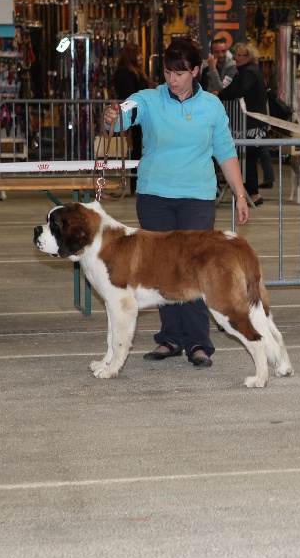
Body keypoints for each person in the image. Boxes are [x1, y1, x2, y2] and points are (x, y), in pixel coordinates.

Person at [103, 37, 249, 368]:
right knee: (161, 270)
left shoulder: (212, 106)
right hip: (154, 196)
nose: (173, 79)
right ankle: (169, 338)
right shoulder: (147, 99)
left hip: (197, 198)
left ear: (196, 71)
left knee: (196, 270)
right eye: (169, 72)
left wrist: (240, 194)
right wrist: (112, 115)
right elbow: (121, 117)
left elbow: (225, 151)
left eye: (180, 73)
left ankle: (198, 342)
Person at [218, 43, 269, 206]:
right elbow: (231, 90)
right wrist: (219, 94)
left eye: (241, 55)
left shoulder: (249, 73)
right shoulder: (245, 72)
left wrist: (220, 95)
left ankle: (253, 193)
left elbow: (239, 91)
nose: (236, 58)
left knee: (250, 159)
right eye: (236, 54)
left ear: (250, 57)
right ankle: (251, 192)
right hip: (249, 124)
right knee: (247, 158)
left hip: (253, 124)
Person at [111, 43, 155, 195]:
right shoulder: (124, 73)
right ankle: (134, 184)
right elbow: (129, 94)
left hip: (141, 116)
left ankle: (138, 182)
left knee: (141, 148)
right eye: (138, 54)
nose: (141, 57)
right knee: (137, 149)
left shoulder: (137, 72)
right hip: (135, 117)